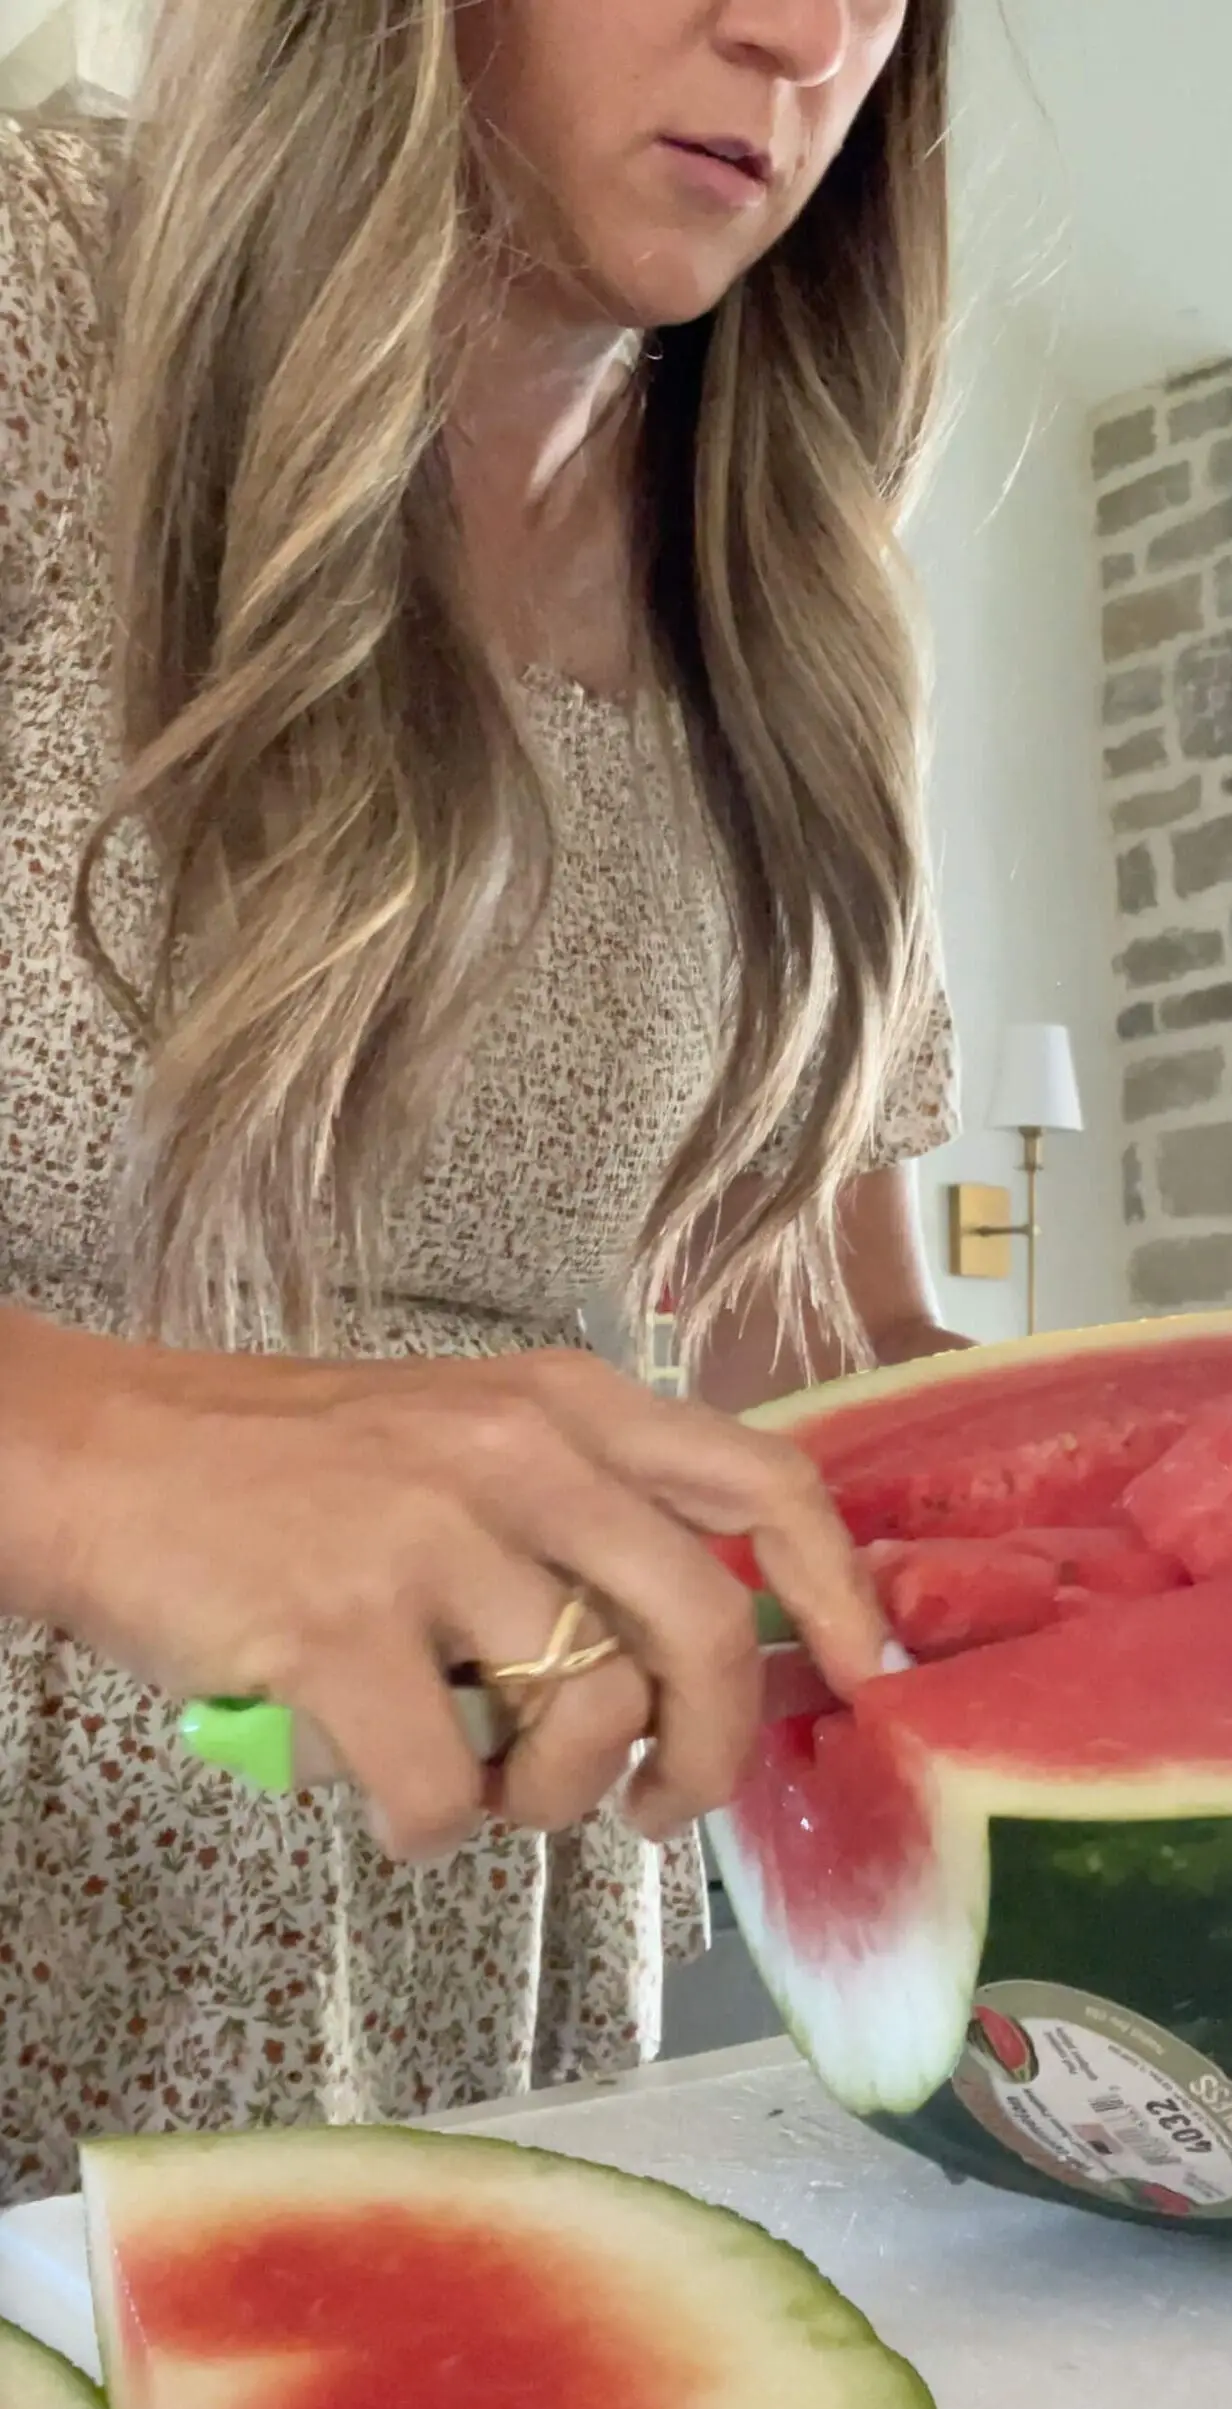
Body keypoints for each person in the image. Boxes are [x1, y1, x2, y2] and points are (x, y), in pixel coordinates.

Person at [0, 0, 965, 2203]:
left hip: (487, 1970)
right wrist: (95, 1456)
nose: (805, 35)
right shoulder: (39, 302)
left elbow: (811, 1370)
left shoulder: (801, 635)